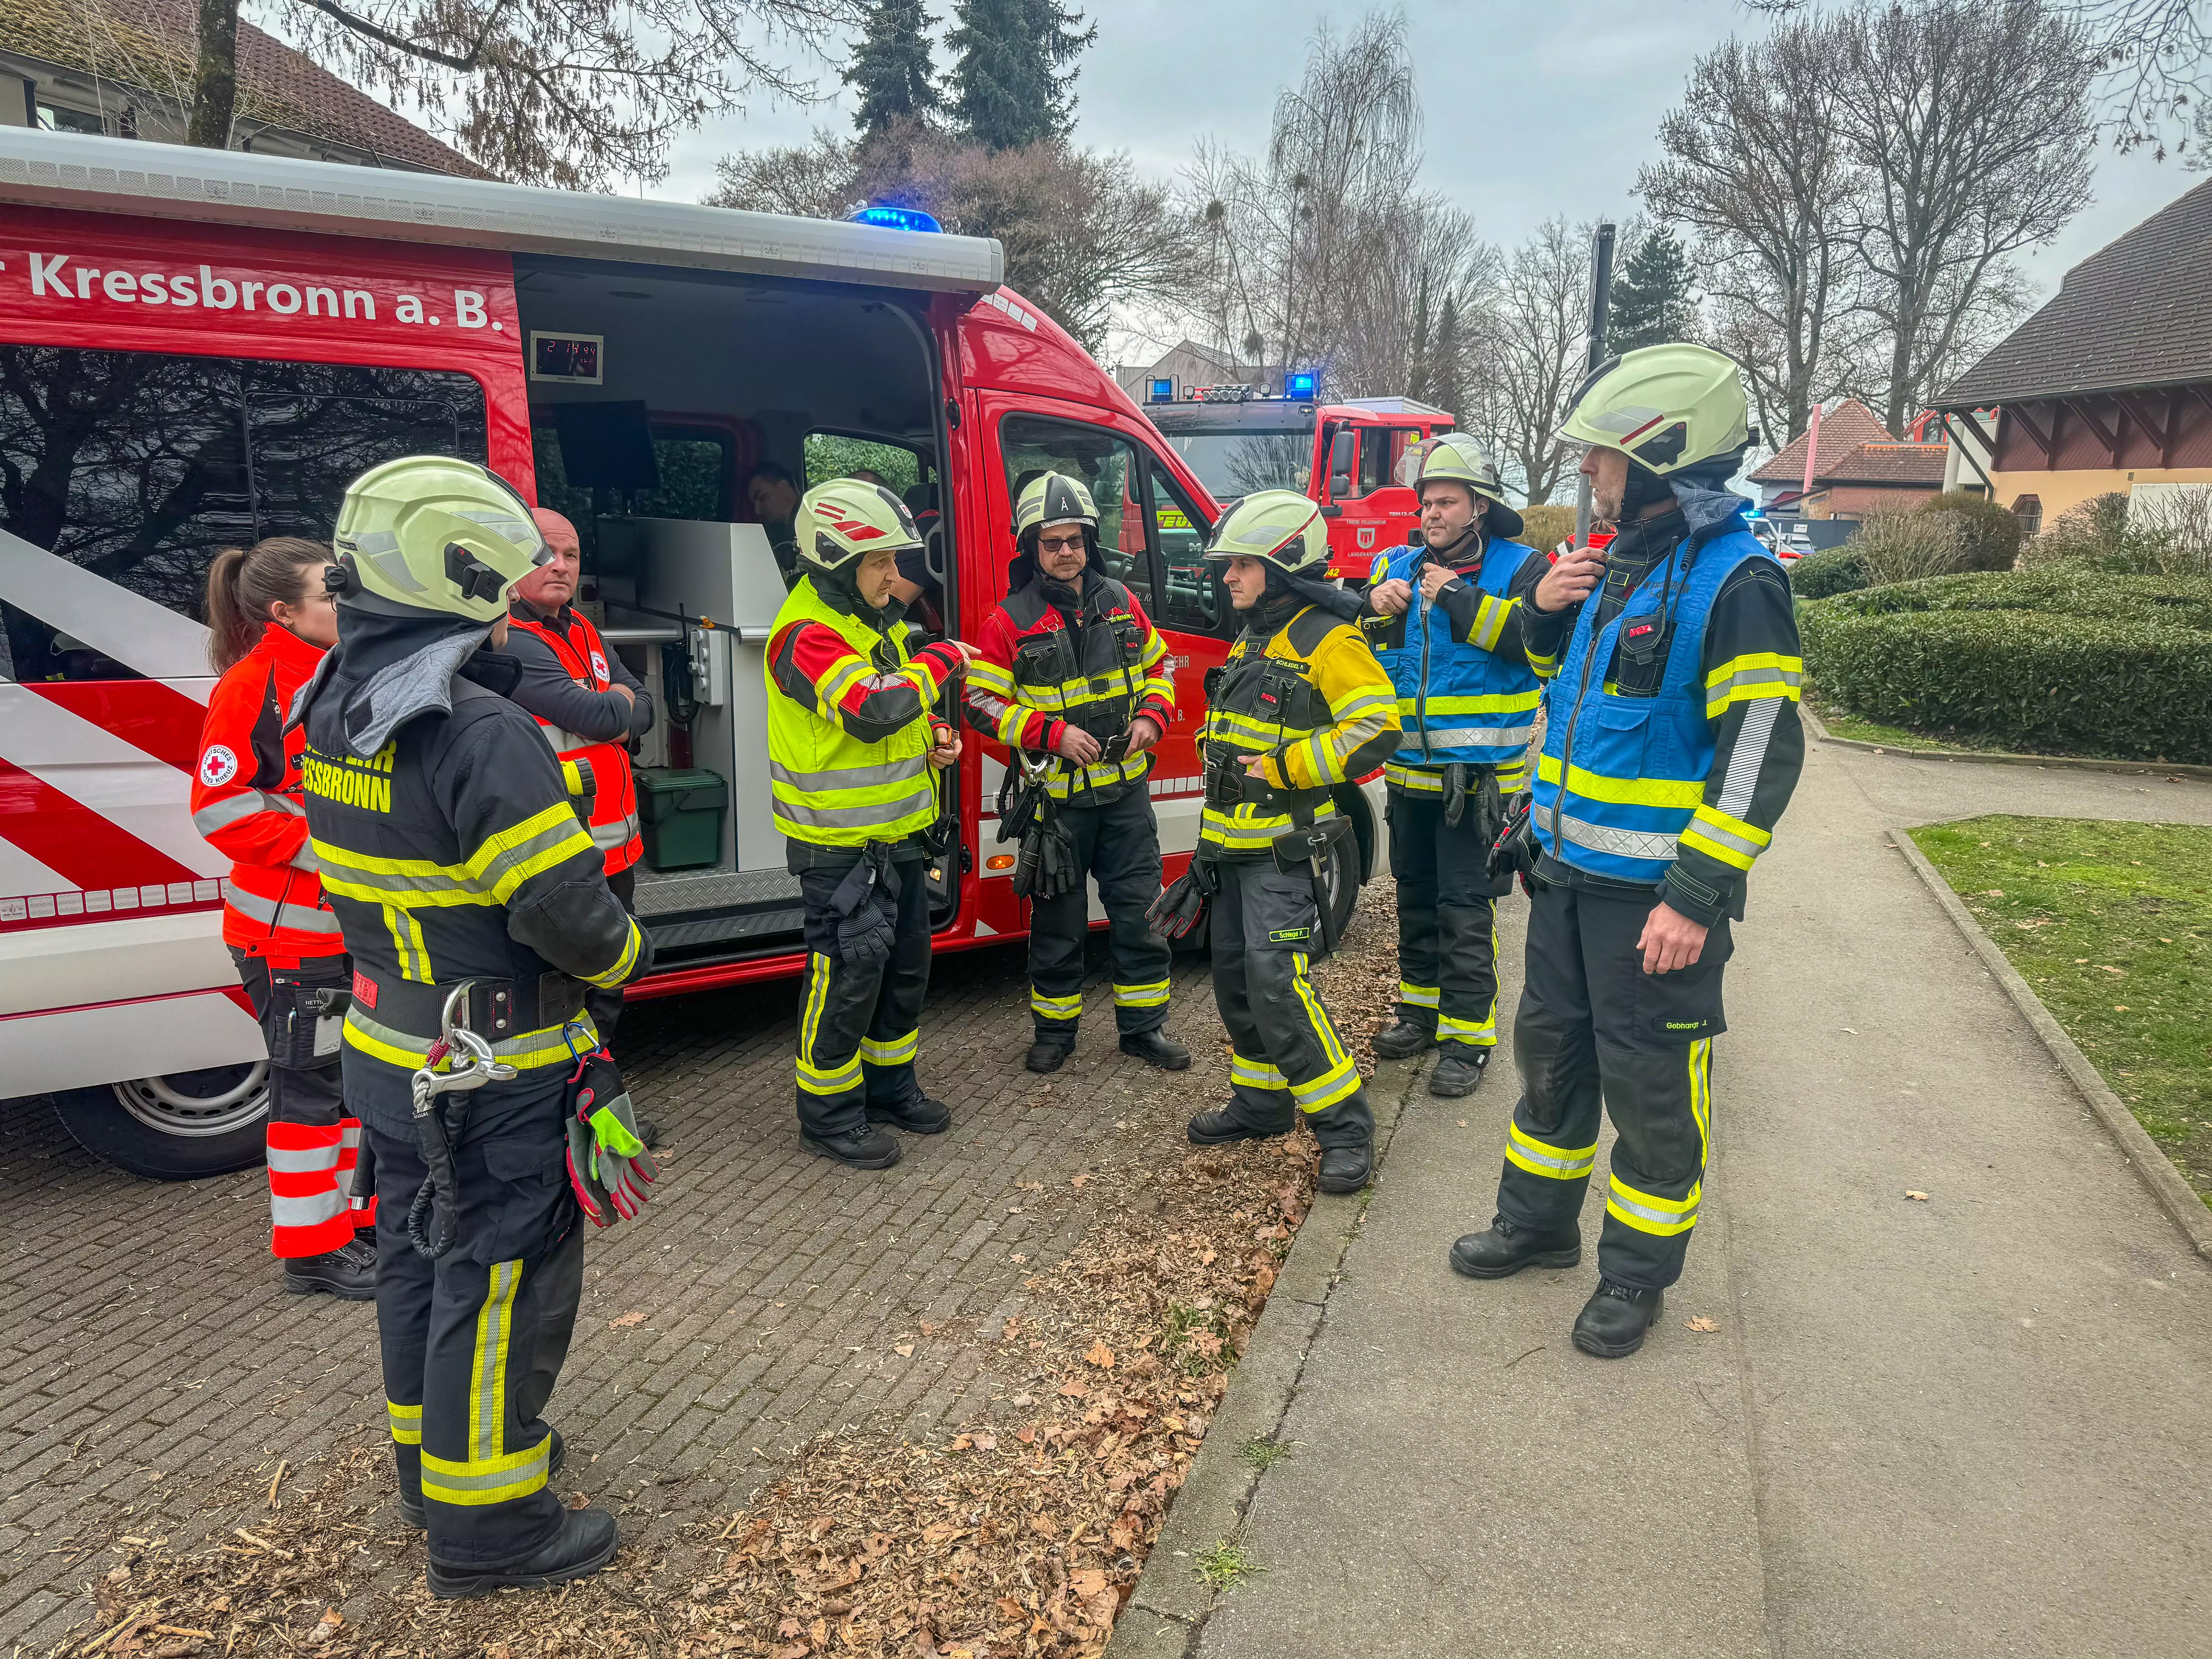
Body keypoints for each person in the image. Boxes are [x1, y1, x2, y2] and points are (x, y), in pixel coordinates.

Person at [295, 455, 653, 1594]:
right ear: (450, 578)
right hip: (492, 1065)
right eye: (491, 584)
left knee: (413, 1257)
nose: (506, 603)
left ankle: (431, 1470)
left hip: (391, 1050)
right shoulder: (478, 729)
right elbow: (558, 904)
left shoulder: (331, 701)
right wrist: (626, 957)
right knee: (500, 1278)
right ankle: (492, 1528)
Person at [1451, 343, 1804, 1360]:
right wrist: (1544, 613)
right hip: (1565, 876)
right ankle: (1539, 1225)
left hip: (1654, 901)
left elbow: (1758, 755)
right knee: (1552, 1060)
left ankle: (1636, 1276)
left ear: (1659, 458)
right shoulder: (1616, 566)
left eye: (1603, 459)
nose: (1591, 478)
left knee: (1652, 1092)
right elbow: (1572, 705)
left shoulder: (1739, 581)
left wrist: (1695, 896)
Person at [1176, 490, 1400, 1195]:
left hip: (1282, 852)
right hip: (1231, 851)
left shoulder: (1329, 638)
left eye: (1240, 565)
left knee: (1280, 986)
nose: (1227, 578)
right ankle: (1261, 1101)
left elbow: (1375, 727)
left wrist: (1284, 768)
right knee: (1236, 980)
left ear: (1282, 565)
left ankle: (1345, 1127)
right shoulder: (1257, 633)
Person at [765, 477, 975, 1170]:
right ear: (834, 560)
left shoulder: (872, 622)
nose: (895, 574)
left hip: (898, 839)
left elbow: (898, 717)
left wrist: (937, 736)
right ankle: (826, 1115)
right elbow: (872, 706)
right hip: (838, 851)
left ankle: (889, 1087)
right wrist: (945, 659)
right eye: (880, 561)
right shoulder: (804, 635)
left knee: (903, 969)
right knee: (847, 978)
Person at [190, 536, 374, 1301]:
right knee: (309, 1090)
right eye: (330, 594)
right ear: (282, 611)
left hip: (345, 931)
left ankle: (354, 1222)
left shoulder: (341, 670)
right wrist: (329, 848)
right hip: (288, 935)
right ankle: (312, 1251)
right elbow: (219, 810)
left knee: (354, 1084)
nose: (345, 605)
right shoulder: (253, 684)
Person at [963, 471, 1190, 1075]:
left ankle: (1144, 1030)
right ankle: (1055, 1035)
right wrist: (1052, 734)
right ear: (1031, 547)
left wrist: (1152, 716)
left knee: (1142, 918)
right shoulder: (1007, 620)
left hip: (1124, 798)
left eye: (1076, 540)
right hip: (1056, 808)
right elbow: (979, 704)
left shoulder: (1121, 600)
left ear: (1090, 541)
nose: (1066, 552)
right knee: (1058, 929)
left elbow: (1162, 666)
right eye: (1052, 542)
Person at [1363, 434, 1547, 1098]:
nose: (1431, 513)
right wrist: (1369, 606)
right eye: (1426, 502)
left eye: (1446, 501)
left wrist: (1455, 600)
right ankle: (1418, 1013)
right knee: (1412, 902)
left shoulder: (1522, 567)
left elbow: (1533, 643)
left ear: (1479, 507)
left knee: (1464, 912)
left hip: (1477, 786)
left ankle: (1467, 1039)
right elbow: (1357, 646)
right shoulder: (1395, 563)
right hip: (1407, 776)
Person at [504, 507, 655, 1048]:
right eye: (545, 553)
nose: (560, 566)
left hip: (612, 851)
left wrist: (615, 708)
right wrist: (613, 708)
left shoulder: (583, 627)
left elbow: (644, 705)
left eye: (571, 555)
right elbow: (600, 716)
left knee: (608, 988)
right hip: (559, 855)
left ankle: (599, 1105)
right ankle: (569, 1118)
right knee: (562, 995)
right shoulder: (511, 641)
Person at [746, 460, 803, 581]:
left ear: (783, 487)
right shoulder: (774, 537)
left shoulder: (818, 524)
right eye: (754, 504)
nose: (757, 510)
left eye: (762, 497)